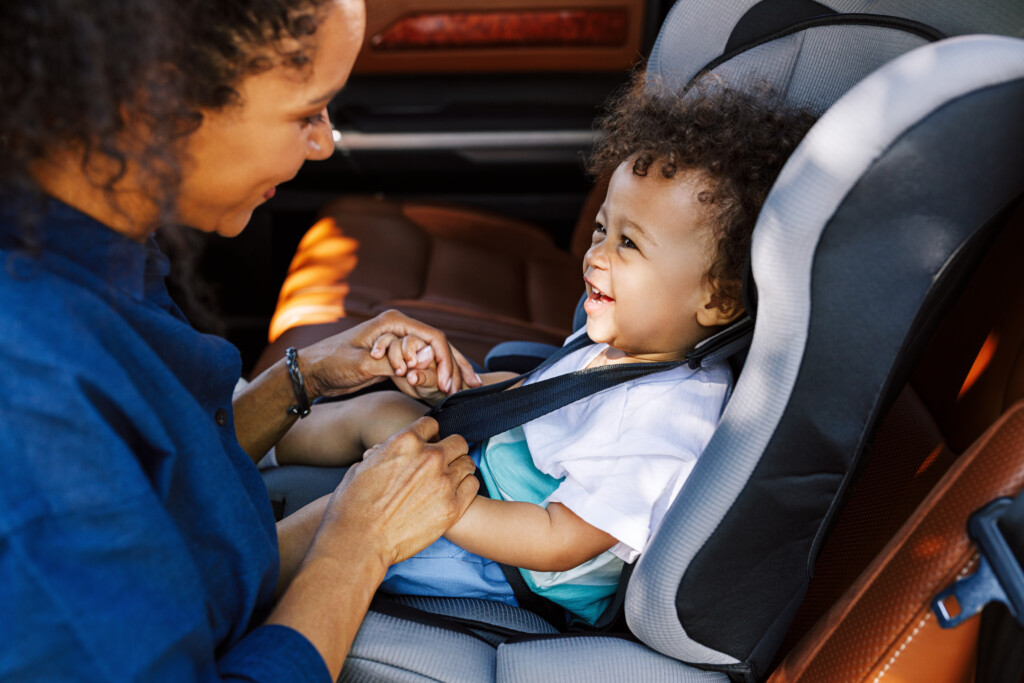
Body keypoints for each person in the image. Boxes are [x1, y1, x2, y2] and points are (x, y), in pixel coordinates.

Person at [0, 0, 484, 680]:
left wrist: (302, 378)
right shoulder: (32, 408)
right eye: (306, 114)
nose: (324, 143)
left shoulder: (90, 242)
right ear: (155, 101)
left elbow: (171, 486)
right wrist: (356, 546)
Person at [271, 78, 818, 624]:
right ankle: (247, 446)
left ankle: (234, 578)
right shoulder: (632, 339)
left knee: (348, 513)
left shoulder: (669, 421)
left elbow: (562, 541)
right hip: (496, 481)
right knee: (381, 409)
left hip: (511, 561)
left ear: (718, 299)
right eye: (602, 229)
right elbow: (545, 397)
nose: (597, 254)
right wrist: (458, 388)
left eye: (628, 244)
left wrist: (436, 505)